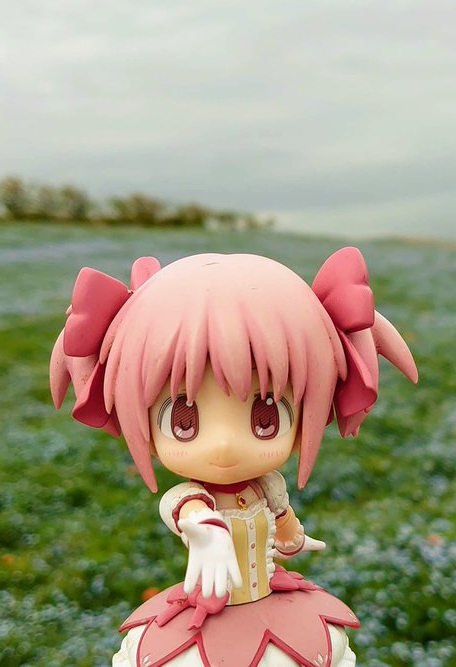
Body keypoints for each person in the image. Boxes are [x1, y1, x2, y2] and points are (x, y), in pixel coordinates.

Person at [49, 247, 417, 666]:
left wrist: (293, 538)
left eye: (266, 417)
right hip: (209, 612)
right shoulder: (190, 499)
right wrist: (205, 533)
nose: (224, 445)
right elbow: (187, 513)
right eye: (184, 420)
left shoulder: (268, 485)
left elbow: (282, 522)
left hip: (270, 595)